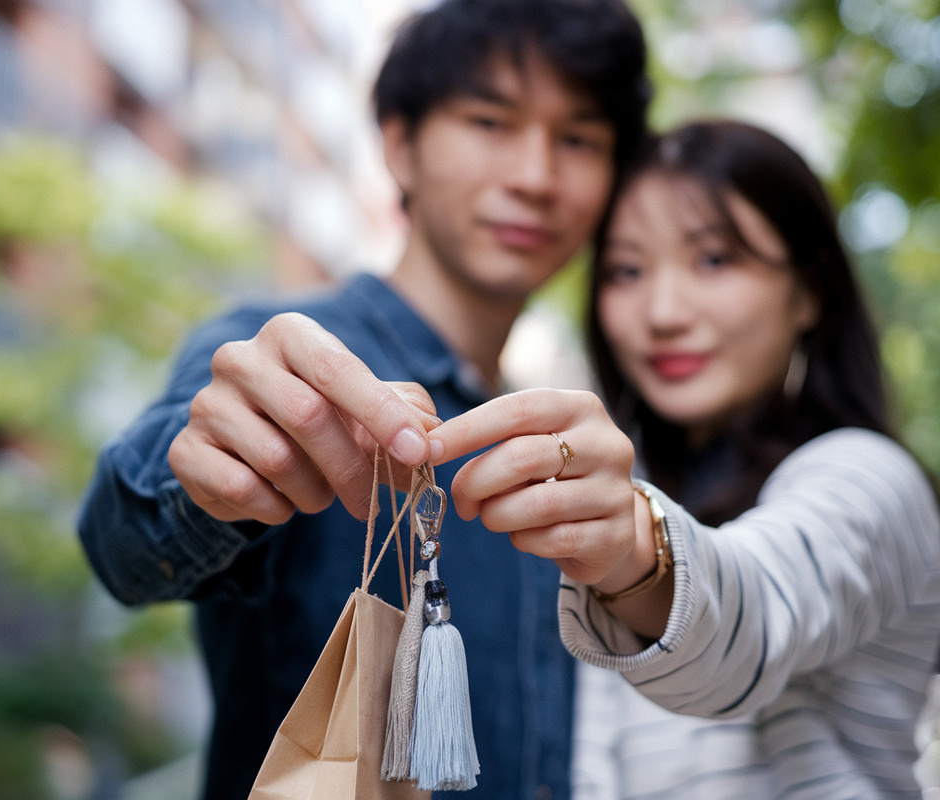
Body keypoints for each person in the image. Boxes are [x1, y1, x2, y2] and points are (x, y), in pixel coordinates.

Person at [76, 1, 651, 797]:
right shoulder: (285, 356)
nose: (535, 176)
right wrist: (206, 476)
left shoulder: (558, 440)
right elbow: (127, 541)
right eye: (490, 122)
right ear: (399, 145)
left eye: (579, 139)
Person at [427, 120, 940, 798]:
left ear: (810, 290)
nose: (663, 312)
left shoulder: (869, 478)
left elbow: (756, 611)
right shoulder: (624, 483)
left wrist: (632, 549)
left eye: (713, 260)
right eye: (627, 270)